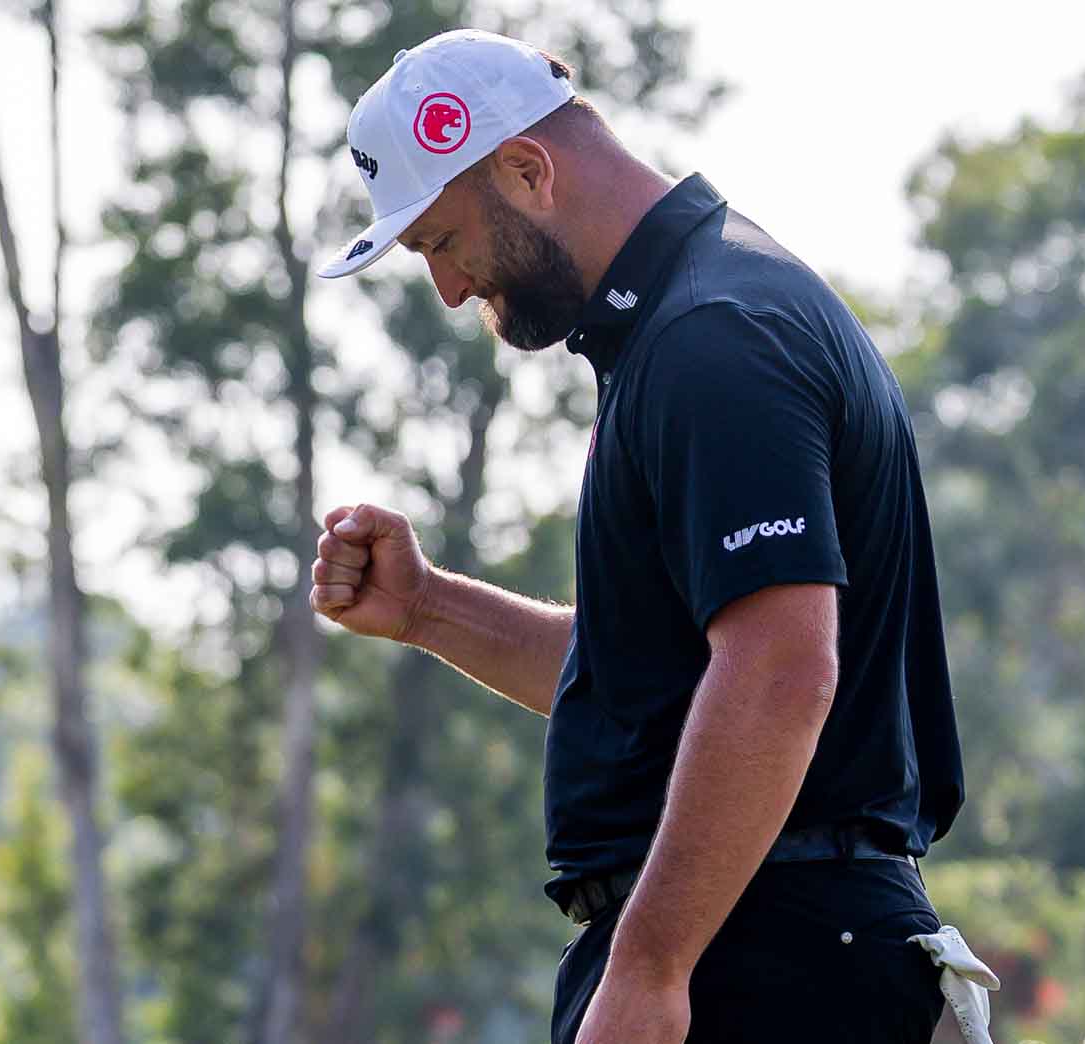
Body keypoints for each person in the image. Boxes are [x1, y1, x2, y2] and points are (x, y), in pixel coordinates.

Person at [311, 28, 966, 1044]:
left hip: (765, 961)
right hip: (765, 944)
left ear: (526, 170)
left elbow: (779, 674)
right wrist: (429, 608)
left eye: (441, 242)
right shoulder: (685, 324)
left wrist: (651, 966)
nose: (447, 290)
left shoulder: (714, 337)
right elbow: (660, 684)